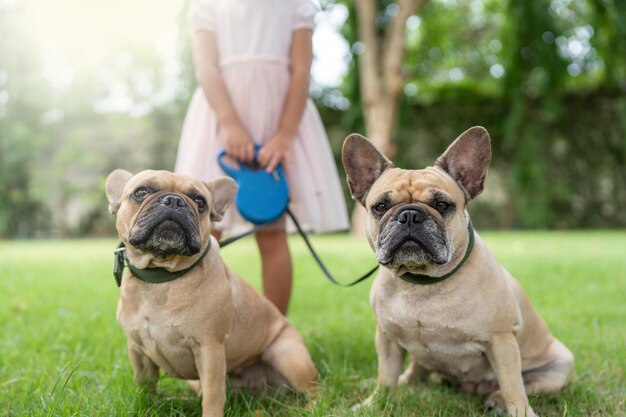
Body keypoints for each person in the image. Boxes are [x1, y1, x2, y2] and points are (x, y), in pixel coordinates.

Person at [175, 0, 349, 315]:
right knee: (204, 230)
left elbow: (300, 70)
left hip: (279, 118)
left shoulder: (296, 5)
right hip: (219, 116)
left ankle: (274, 331)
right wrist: (229, 122)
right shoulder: (207, 5)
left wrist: (284, 134)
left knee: (271, 232)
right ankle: (197, 321)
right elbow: (206, 67)